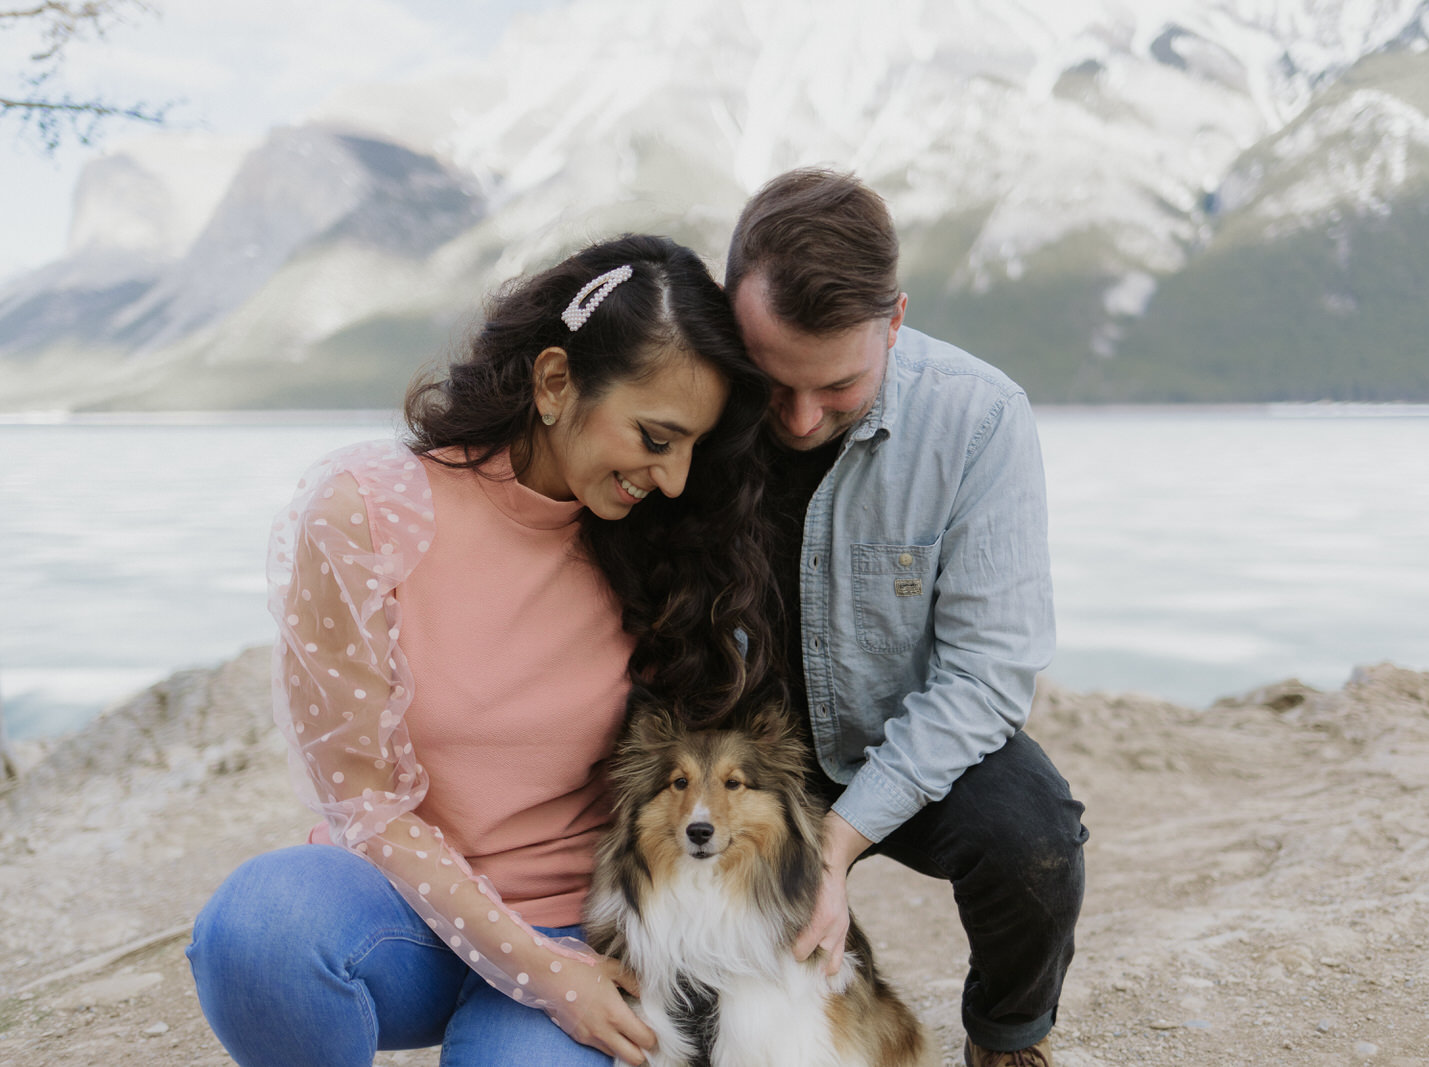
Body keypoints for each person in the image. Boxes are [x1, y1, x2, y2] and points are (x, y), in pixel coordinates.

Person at [187, 234, 778, 1067]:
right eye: (655, 437)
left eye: (691, 447)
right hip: (400, 917)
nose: (675, 478)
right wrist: (538, 970)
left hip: (589, 928)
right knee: (258, 930)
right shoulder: (365, 513)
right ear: (554, 381)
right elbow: (366, 799)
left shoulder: (669, 546)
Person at [725, 168, 1090, 1067]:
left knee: (1033, 837)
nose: (802, 417)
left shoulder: (980, 417)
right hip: (736, 747)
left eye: (838, 387)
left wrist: (836, 847)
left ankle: (1006, 1038)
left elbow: (986, 676)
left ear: (893, 321)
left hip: (904, 733)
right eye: (775, 383)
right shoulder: (689, 396)